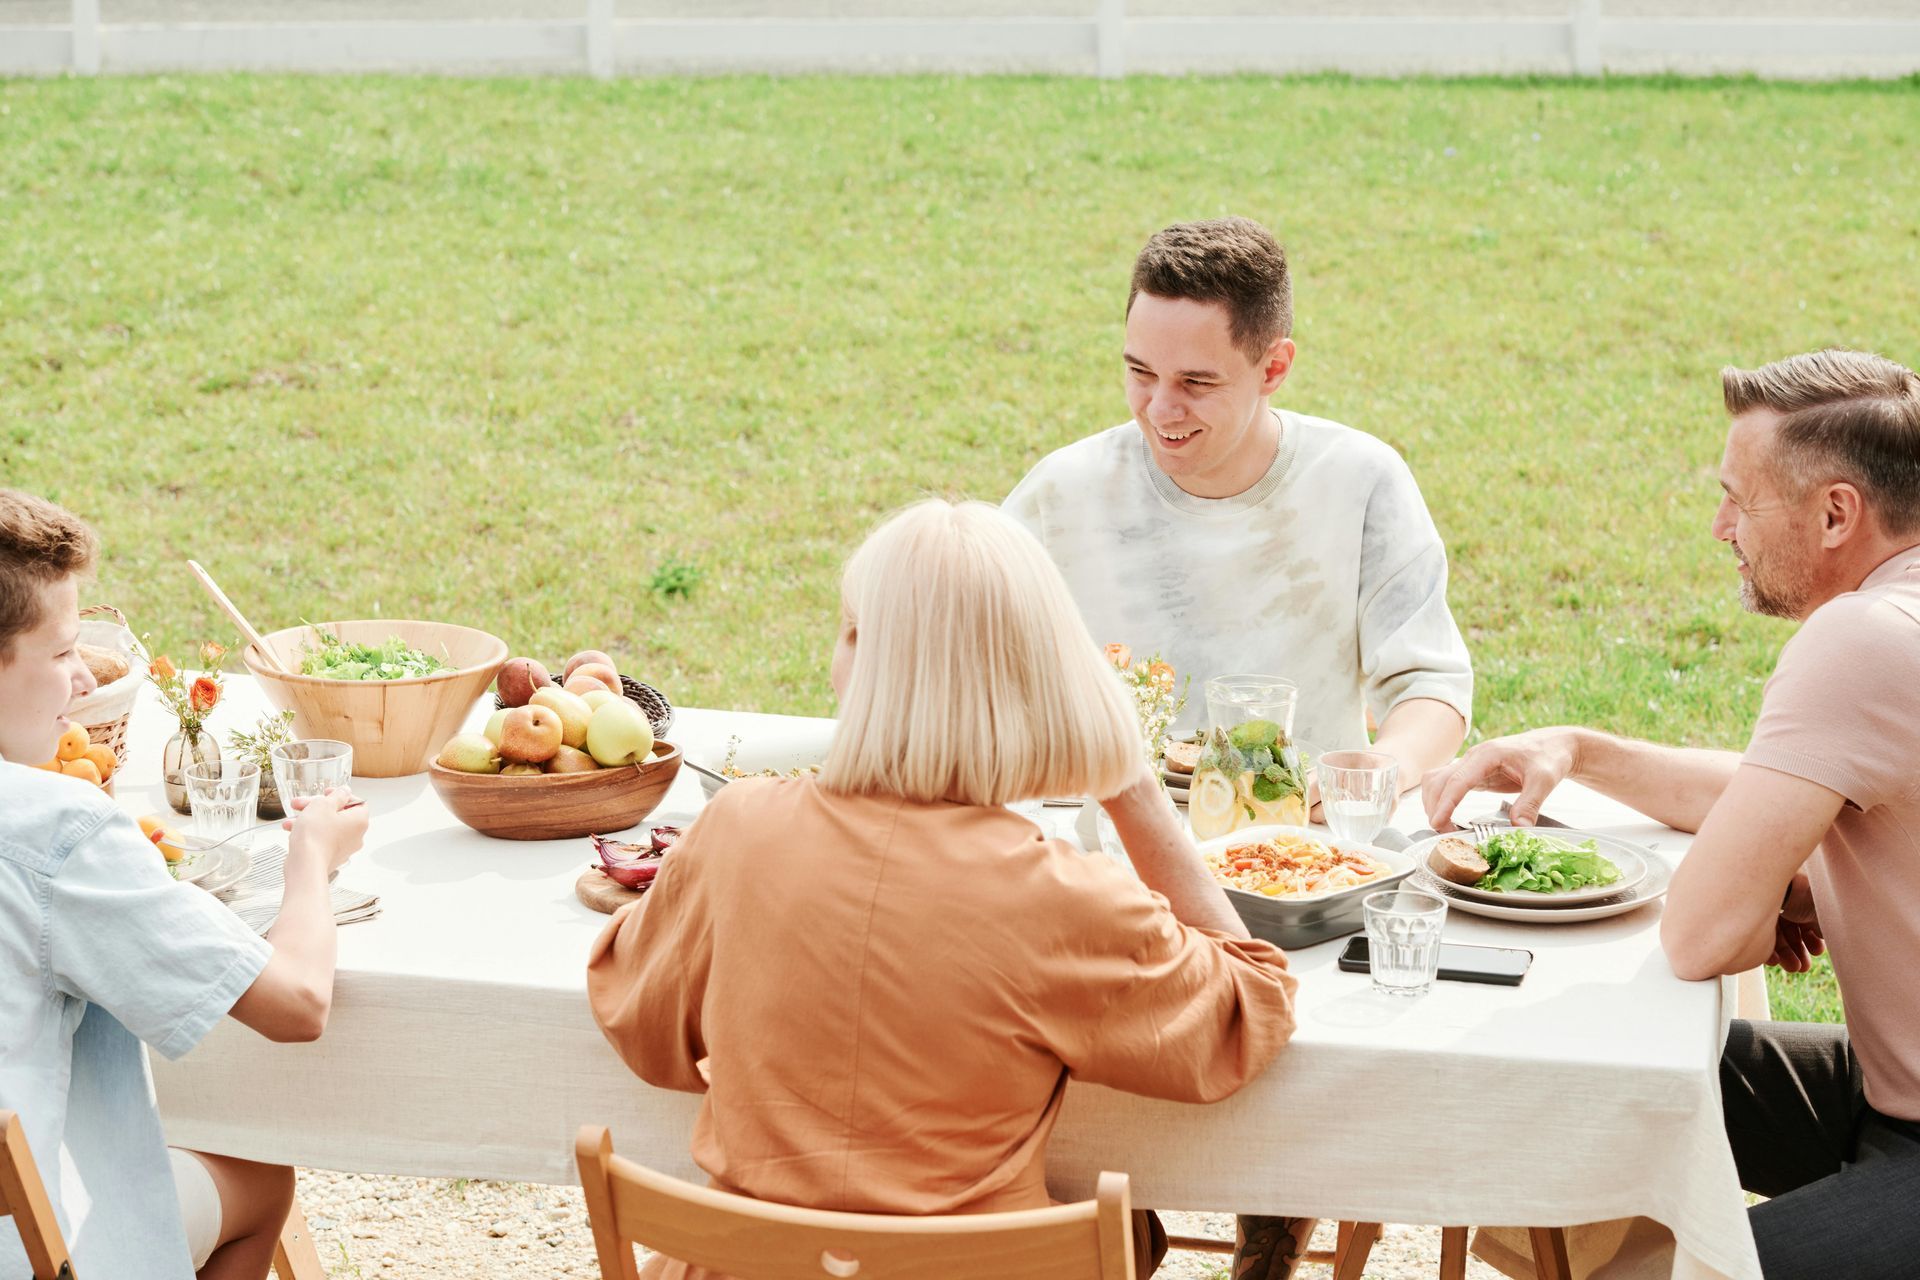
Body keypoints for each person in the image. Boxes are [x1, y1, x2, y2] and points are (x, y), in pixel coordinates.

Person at [587, 499, 1300, 1280]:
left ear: (860, 659)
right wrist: (1130, 782)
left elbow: (642, 1023)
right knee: (1127, 1233)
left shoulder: (735, 830)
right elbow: (1249, 1011)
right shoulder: (1070, 898)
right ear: (1038, 686)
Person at [1422, 350, 1920, 1280]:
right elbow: (1776, 783)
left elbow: (1700, 937)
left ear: (1837, 513)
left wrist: (1765, 892)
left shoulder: (1859, 639)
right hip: (1883, 1094)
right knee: (1561, 1083)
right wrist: (1580, 748)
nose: (1720, 526)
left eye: (1742, 498)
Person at [0, 489, 369, 1280]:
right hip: (28, 1248)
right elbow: (296, 1005)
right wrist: (311, 857)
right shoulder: (55, 828)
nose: (78, 686)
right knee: (259, 1179)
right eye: (62, 654)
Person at [1004, 215, 1472, 785]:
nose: (1160, 409)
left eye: (1196, 383)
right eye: (1140, 372)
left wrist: (1377, 772)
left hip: (1299, 844)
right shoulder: (1061, 491)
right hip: (1105, 828)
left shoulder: (1360, 480)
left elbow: (1430, 684)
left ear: (1273, 367)